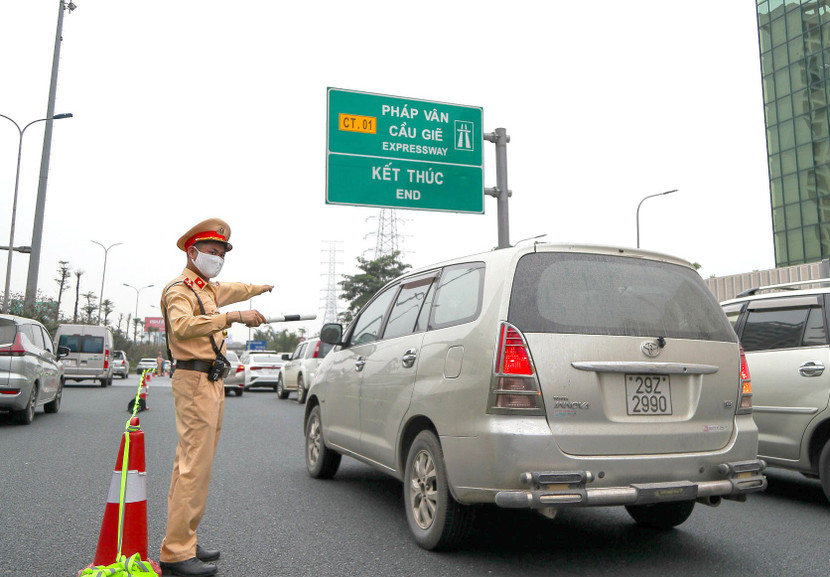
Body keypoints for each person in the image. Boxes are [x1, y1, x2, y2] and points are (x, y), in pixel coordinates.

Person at [158, 218, 273, 577]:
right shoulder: (180, 290)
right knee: (194, 466)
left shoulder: (206, 289)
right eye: (212, 251)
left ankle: (183, 540)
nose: (218, 258)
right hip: (193, 378)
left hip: (210, 379)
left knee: (193, 464)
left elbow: (234, 289)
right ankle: (176, 553)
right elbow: (182, 327)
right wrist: (232, 317)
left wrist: (260, 288)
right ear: (192, 252)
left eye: (222, 253)